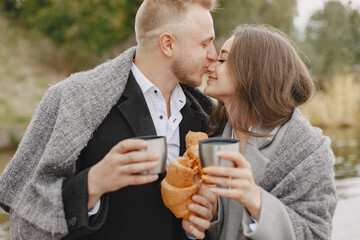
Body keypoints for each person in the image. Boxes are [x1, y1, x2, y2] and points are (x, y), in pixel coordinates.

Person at [0, 0, 220, 239]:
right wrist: (92, 184)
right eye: (204, 43)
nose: (213, 54)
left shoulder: (206, 114)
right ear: (168, 44)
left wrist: (206, 215)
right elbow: (28, 205)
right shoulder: (75, 100)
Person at [204, 25, 337, 239]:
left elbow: (316, 233)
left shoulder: (310, 152)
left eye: (222, 60)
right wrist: (211, 214)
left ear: (252, 70)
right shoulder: (210, 131)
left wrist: (255, 199)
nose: (211, 65)